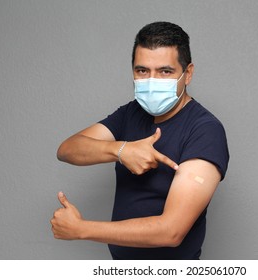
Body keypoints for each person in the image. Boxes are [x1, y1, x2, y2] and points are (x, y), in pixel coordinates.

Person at [51, 21, 229, 260]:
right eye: (142, 71)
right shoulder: (131, 113)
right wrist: (121, 150)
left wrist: (81, 229)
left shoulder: (205, 130)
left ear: (188, 74)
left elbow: (171, 231)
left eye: (165, 71)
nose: (152, 81)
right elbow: (68, 149)